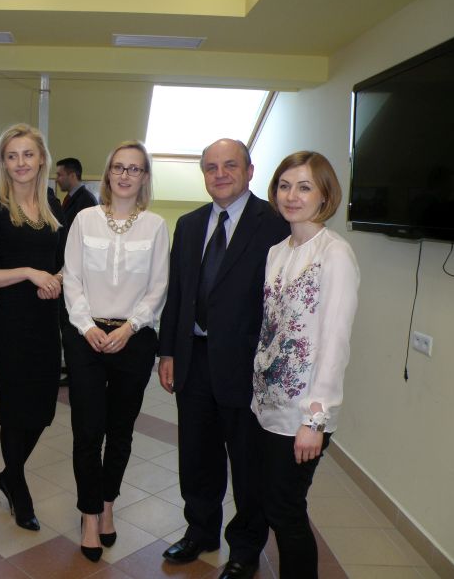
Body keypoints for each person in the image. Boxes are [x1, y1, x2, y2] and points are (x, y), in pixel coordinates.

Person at [158, 138, 289, 579]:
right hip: (193, 359)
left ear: (249, 171)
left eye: (230, 165)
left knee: (248, 463)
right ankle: (200, 531)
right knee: (197, 455)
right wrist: (167, 351)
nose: (220, 174)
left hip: (247, 365)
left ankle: (246, 546)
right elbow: (178, 294)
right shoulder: (189, 224)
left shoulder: (274, 224)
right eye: (211, 167)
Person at [252, 152, 359, 578]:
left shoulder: (334, 254)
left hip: (304, 412)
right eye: (284, 186)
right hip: (268, 405)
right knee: (274, 503)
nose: (291, 196)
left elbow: (335, 341)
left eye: (304, 187)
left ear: (325, 195)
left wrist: (315, 419)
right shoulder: (277, 251)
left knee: (286, 510)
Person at [63, 141, 169, 562]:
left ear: (144, 178)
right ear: (107, 174)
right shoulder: (84, 219)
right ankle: (89, 514)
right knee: (88, 431)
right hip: (86, 335)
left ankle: (108, 504)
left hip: (134, 338)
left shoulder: (155, 226)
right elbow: (72, 278)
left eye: (134, 169)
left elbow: (159, 287)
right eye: (118, 167)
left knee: (120, 431)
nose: (125, 175)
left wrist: (129, 327)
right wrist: (87, 326)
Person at [0, 123, 63, 532]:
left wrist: (56, 277)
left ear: (41, 159)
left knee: (43, 409)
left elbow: (67, 261)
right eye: (12, 156)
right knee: (15, 408)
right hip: (11, 322)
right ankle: (18, 486)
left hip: (47, 320)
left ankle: (9, 474)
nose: (21, 163)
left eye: (28, 154)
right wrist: (28, 272)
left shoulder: (52, 204)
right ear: (3, 162)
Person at [56, 157, 98, 386]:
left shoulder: (86, 201)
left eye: (60, 174)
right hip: (66, 267)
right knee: (65, 319)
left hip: (77, 271)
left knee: (72, 320)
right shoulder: (71, 199)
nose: (58, 179)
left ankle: (75, 369)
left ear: (72, 175)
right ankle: (71, 364)